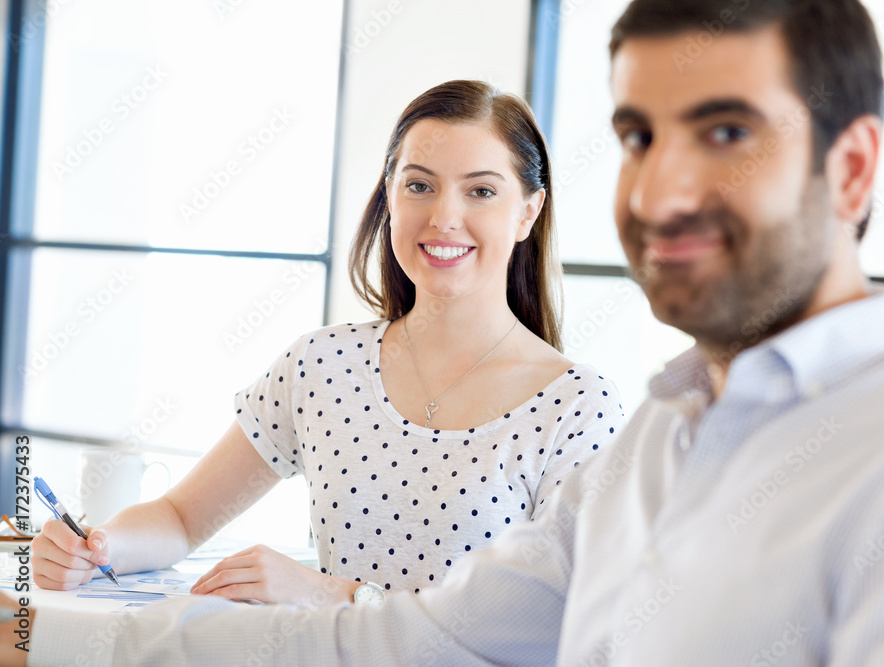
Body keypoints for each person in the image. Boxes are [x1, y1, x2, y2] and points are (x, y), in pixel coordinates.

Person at [6, 0, 884, 664]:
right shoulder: (667, 430)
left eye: (726, 132)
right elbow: (422, 636)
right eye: (637, 138)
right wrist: (47, 636)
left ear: (855, 170)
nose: (658, 189)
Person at [25, 80, 623, 606]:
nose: (444, 216)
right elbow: (180, 518)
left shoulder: (577, 407)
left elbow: (560, 623)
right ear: (390, 195)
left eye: (482, 191)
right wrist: (97, 548)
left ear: (528, 211)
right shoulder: (322, 365)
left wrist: (332, 595)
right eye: (419, 185)